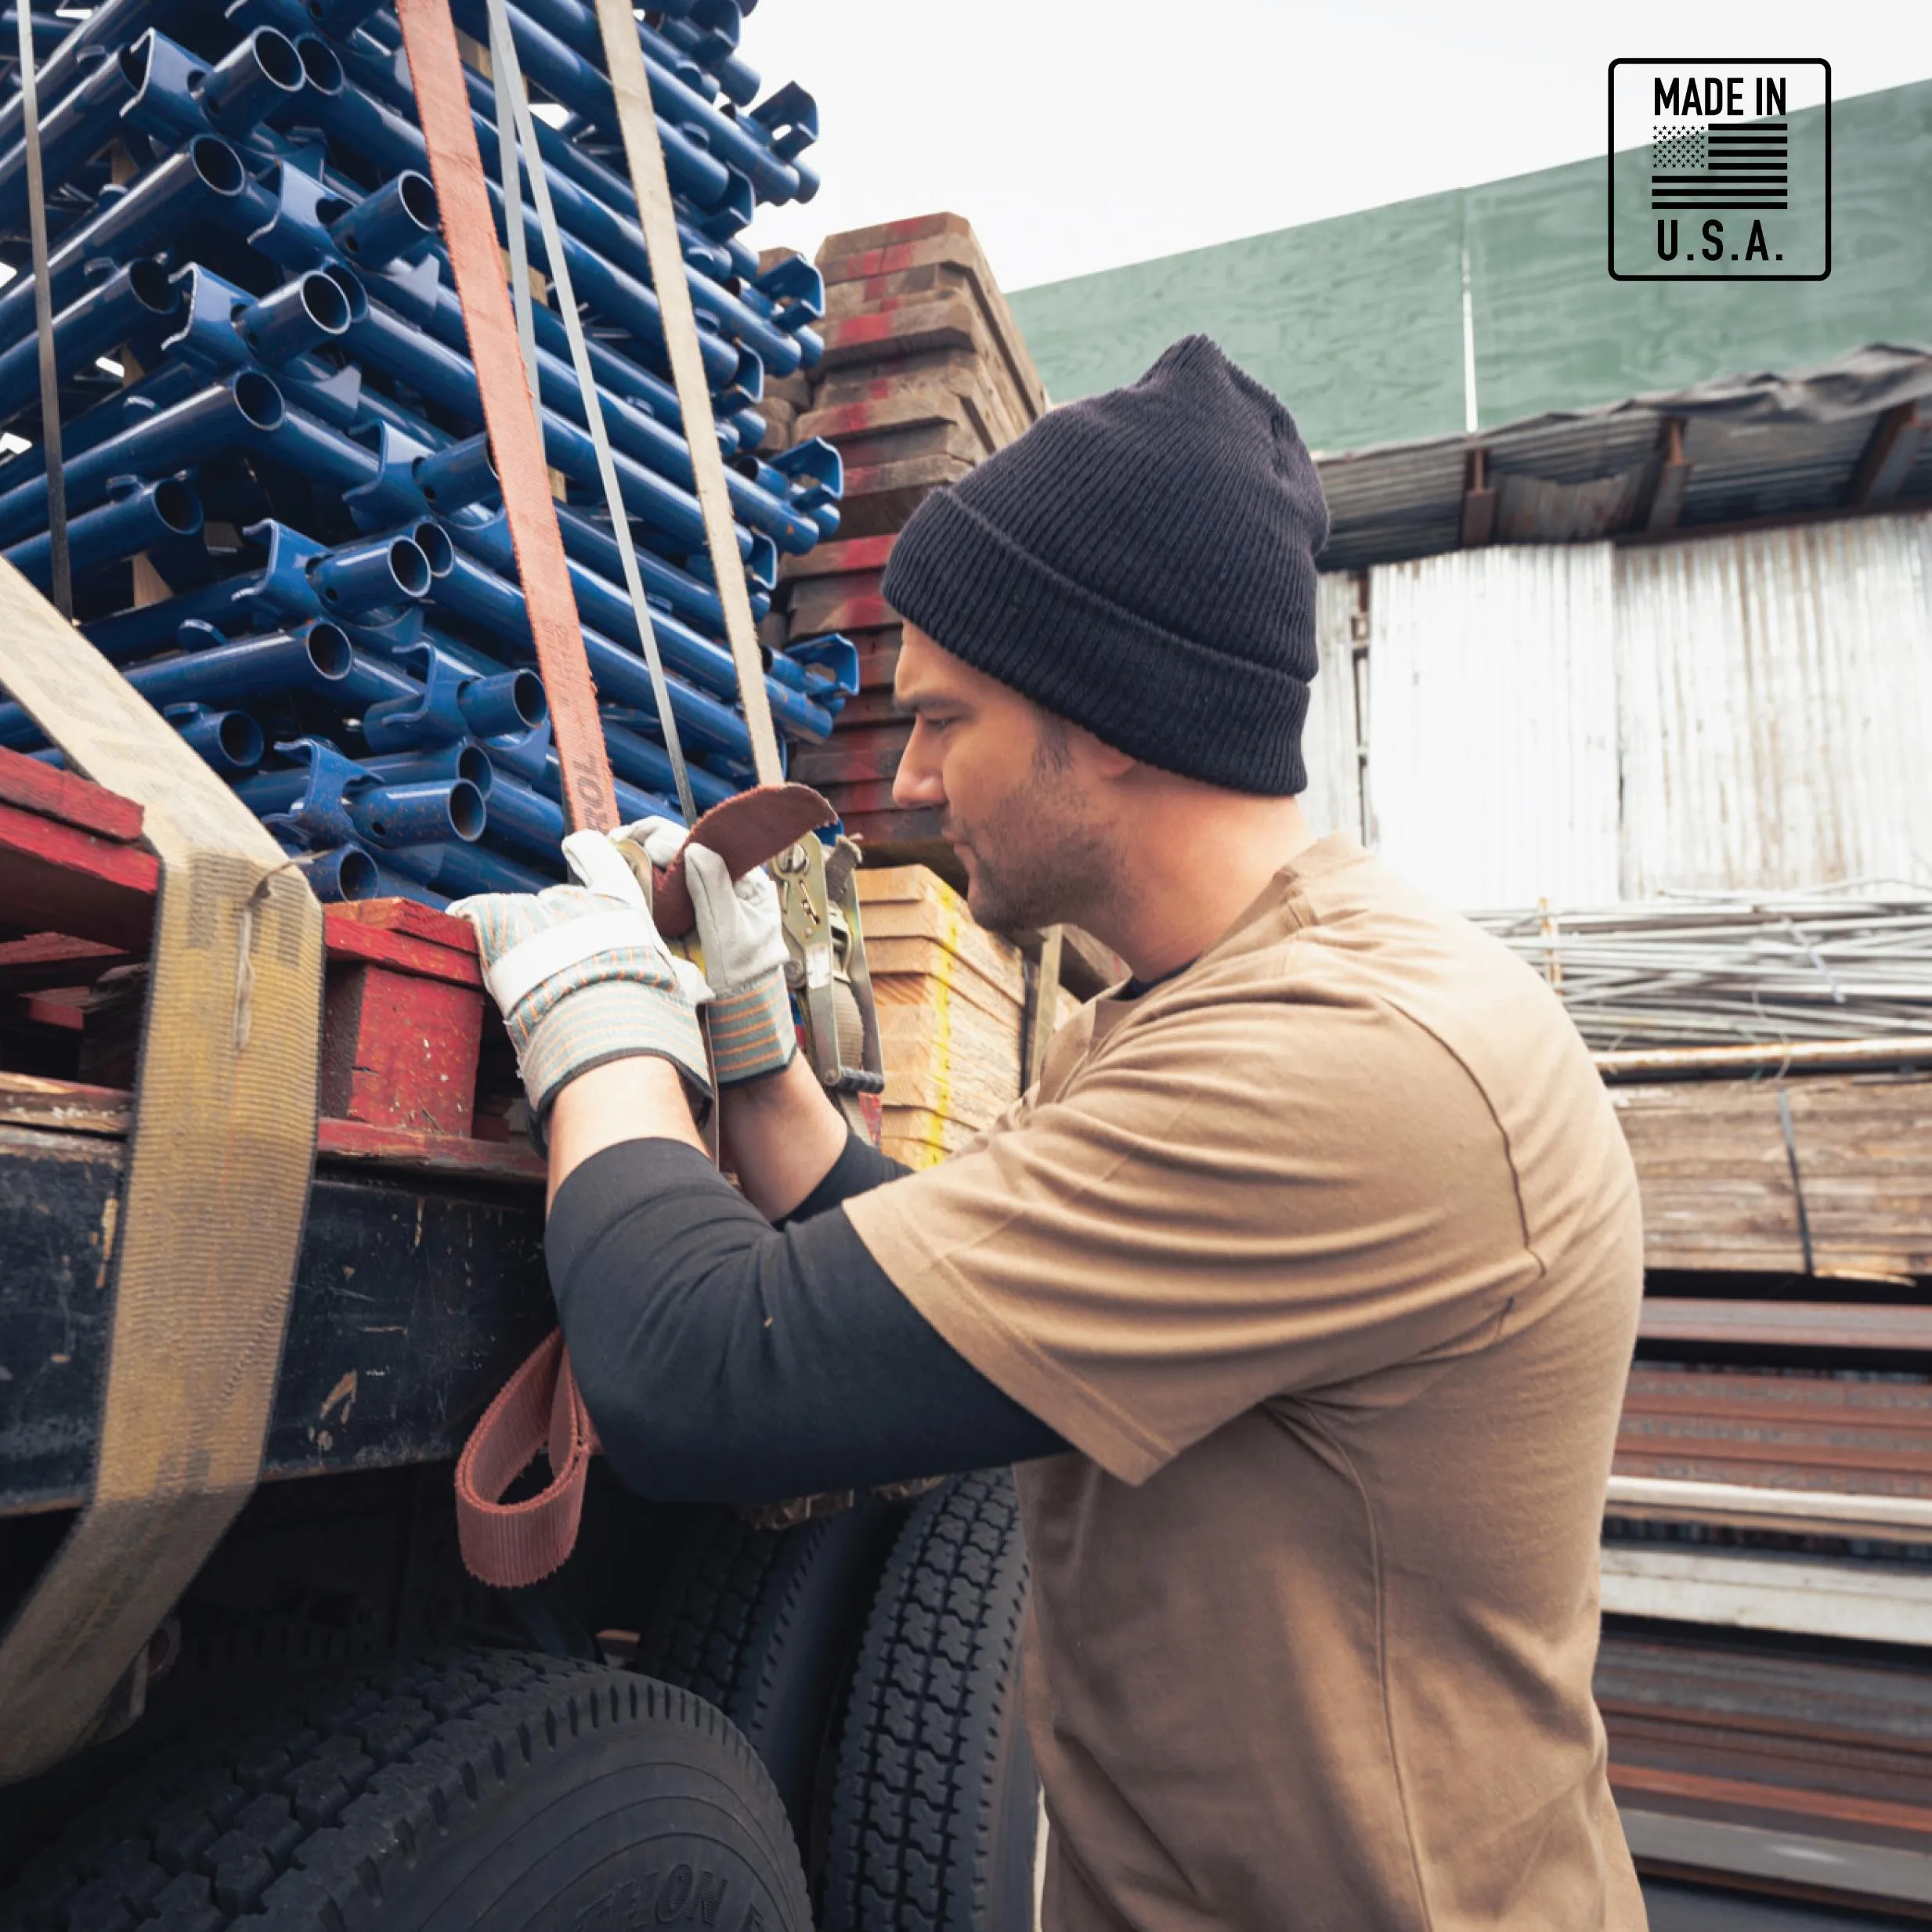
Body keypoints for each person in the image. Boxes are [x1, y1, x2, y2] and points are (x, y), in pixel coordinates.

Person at [454, 336, 1649, 1931]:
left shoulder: (1346, 1067)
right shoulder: (1170, 1011)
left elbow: (696, 1373)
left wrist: (594, 1015)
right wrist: (756, 1065)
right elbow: (954, 1325)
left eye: (946, 719)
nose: (910, 777)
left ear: (1116, 718)